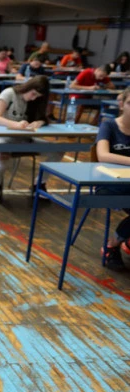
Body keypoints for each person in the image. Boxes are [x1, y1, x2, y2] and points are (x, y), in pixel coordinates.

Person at [0, 76, 62, 203]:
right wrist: (15, 125)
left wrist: (39, 122)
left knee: (58, 151)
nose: (33, 98)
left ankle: (39, 185)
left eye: (37, 96)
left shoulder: (35, 101)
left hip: (23, 139)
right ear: (28, 87)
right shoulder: (9, 93)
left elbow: (43, 118)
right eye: (33, 94)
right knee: (1, 153)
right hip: (1, 138)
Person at [94, 87, 130, 270]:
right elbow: (103, 155)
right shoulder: (109, 126)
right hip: (109, 184)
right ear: (122, 105)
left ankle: (124, 240)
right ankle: (112, 245)